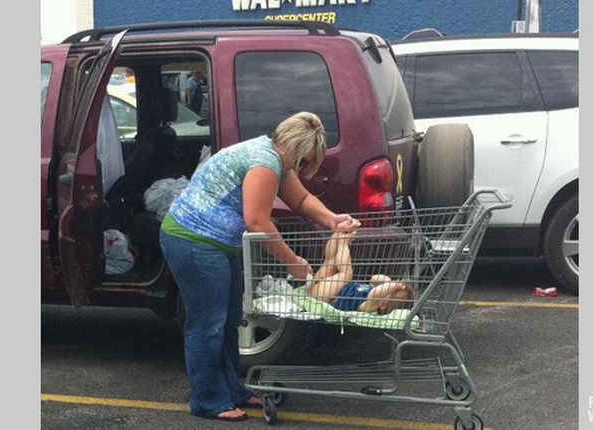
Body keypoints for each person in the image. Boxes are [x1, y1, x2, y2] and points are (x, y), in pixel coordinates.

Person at [159, 112, 359, 422]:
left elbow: (302, 199)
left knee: (227, 322)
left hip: (217, 243)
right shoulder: (265, 162)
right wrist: (293, 262)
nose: (304, 169)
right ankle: (207, 400)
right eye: (305, 161)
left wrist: (333, 219)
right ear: (294, 148)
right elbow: (257, 221)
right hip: (192, 239)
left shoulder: (276, 158)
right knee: (207, 325)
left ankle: (232, 391)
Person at [308, 221, 414, 314]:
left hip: (325, 297)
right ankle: (339, 232)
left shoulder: (370, 305)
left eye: (389, 290)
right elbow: (375, 278)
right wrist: (389, 281)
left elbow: (374, 294)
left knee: (346, 274)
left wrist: (393, 286)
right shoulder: (375, 289)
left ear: (383, 305)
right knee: (330, 261)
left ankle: (342, 242)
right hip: (327, 287)